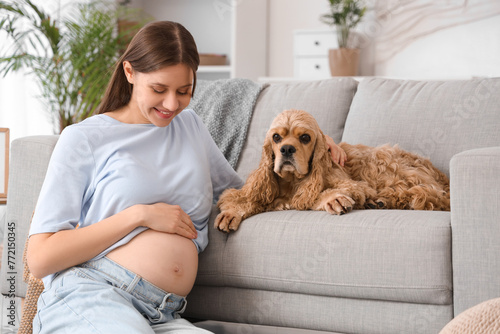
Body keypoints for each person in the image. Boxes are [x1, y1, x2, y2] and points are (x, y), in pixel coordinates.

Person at [27, 21, 347, 333]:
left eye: (184, 91)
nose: (171, 104)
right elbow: (40, 258)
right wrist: (139, 216)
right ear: (129, 72)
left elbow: (249, 193)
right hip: (94, 293)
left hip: (164, 313)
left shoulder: (190, 125)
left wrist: (314, 142)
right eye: (158, 89)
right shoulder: (84, 138)